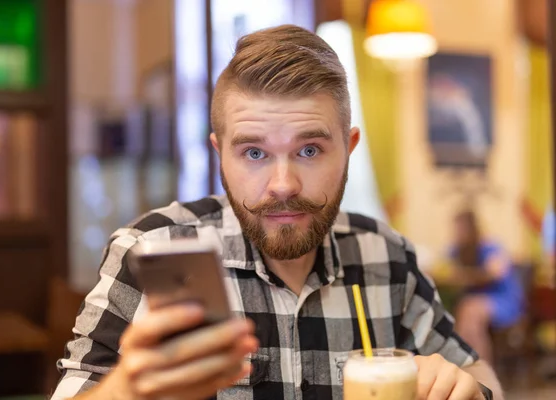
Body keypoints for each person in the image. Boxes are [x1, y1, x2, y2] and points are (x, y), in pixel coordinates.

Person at [52, 25, 502, 400]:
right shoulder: (152, 250)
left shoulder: (387, 257)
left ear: (348, 149)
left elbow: (481, 377)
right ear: (219, 155)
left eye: (309, 149)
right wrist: (126, 390)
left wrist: (467, 388)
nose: (283, 184)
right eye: (253, 153)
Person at [447, 210, 524, 363]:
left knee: (470, 311)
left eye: (462, 228)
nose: (458, 232)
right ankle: (470, 364)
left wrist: (469, 276)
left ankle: (481, 366)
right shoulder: (457, 250)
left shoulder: (490, 247)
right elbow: (444, 268)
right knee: (465, 310)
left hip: (501, 300)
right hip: (473, 302)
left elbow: (496, 272)